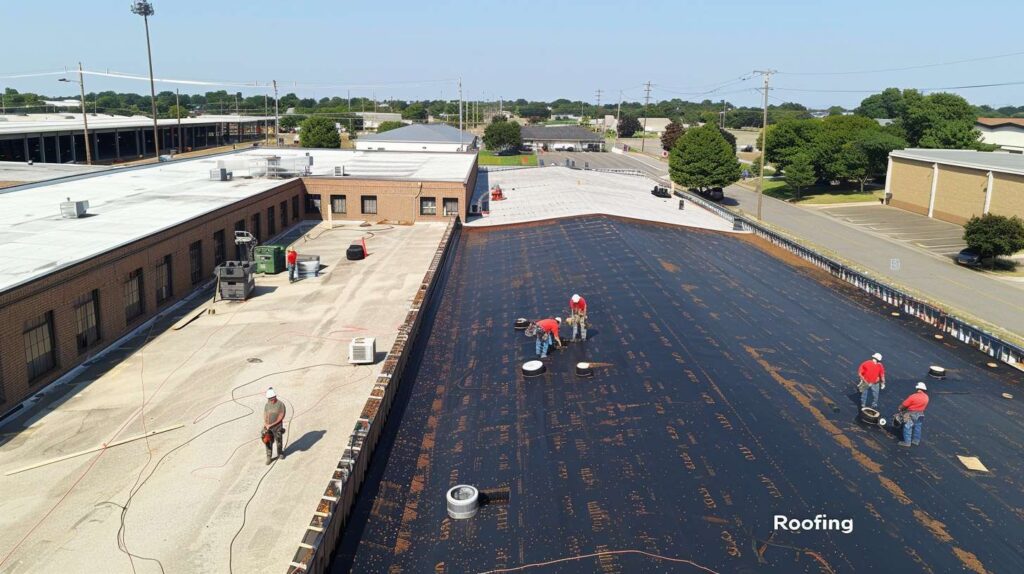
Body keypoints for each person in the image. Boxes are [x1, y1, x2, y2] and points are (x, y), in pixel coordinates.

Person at [897, 382, 929, 447]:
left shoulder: (913, 396)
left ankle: (907, 442)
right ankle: (916, 441)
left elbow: (904, 405)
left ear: (917, 388)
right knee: (918, 427)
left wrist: (900, 408)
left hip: (911, 413)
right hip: (921, 414)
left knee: (908, 427)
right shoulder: (926, 397)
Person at [263, 387, 286, 464]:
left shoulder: (280, 404)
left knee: (278, 440)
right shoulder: (267, 405)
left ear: (275, 396)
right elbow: (265, 414)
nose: (271, 400)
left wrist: (272, 424)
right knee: (267, 441)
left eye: (272, 398)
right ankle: (269, 457)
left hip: (277, 426)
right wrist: (266, 424)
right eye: (270, 399)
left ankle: (280, 453)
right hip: (268, 427)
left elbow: (281, 416)